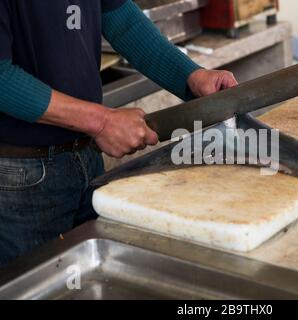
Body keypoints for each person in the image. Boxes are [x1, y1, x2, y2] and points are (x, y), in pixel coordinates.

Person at [0, 0, 238, 266]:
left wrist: (191, 75)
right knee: (38, 287)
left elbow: (120, 18)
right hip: (20, 175)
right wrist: (101, 122)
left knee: (94, 280)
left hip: (85, 155)